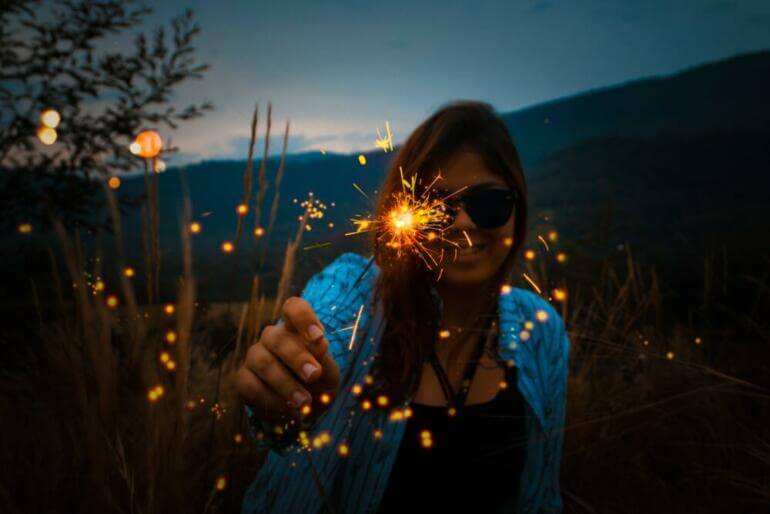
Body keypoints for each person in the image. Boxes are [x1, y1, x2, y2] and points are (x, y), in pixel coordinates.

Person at [236, 100, 571, 514]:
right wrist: (291, 384)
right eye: (437, 205)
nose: (463, 223)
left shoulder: (540, 330)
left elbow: (541, 496)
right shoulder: (357, 291)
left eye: (489, 204)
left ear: (517, 211)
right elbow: (324, 334)